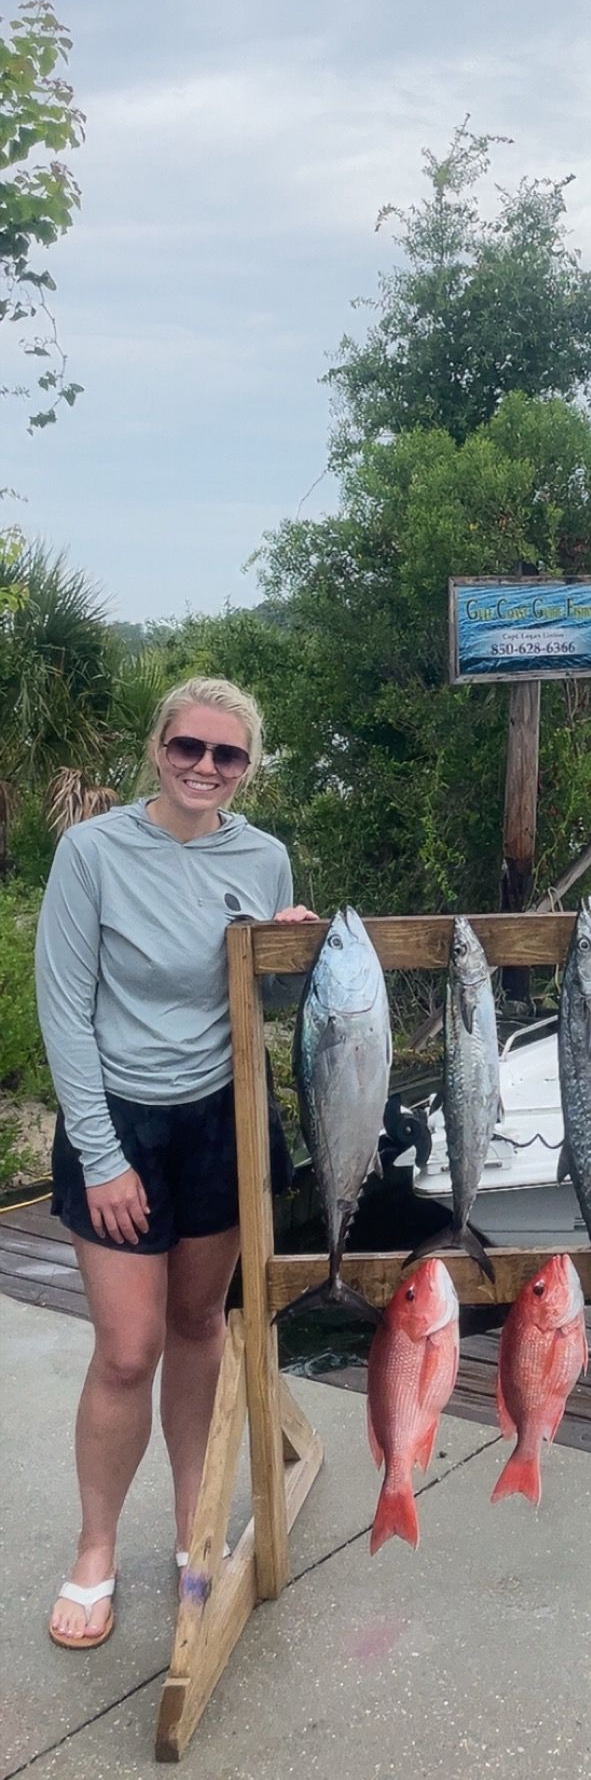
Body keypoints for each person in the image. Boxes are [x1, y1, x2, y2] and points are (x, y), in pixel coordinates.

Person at [35, 677, 317, 1650]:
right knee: (126, 1349)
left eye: (228, 755)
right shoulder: (94, 852)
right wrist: (104, 1157)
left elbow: (270, 1013)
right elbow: (64, 1011)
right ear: (158, 748)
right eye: (189, 747)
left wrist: (290, 962)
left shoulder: (265, 856)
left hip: (222, 1119)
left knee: (202, 1322)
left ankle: (196, 1527)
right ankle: (95, 1549)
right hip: (117, 1121)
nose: (206, 767)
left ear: (248, 767)